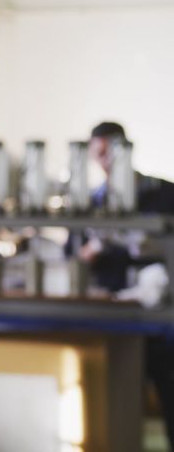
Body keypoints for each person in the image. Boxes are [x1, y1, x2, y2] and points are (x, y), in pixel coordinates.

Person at [80, 121, 174, 448]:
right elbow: (75, 255)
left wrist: (154, 246)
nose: (104, 162)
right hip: (114, 317)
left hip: (161, 316)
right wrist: (96, 246)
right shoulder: (92, 202)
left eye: (110, 153)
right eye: (98, 155)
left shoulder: (163, 193)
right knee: (118, 404)